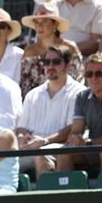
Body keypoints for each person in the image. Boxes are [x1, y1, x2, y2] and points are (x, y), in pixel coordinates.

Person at [16, 41, 85, 173]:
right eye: (47, 62)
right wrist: (21, 138)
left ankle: (44, 194)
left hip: (59, 147)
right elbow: (21, 127)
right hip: (32, 148)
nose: (50, 66)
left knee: (42, 155)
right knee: (0, 159)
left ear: (68, 65)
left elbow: (72, 129)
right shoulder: (32, 94)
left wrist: (45, 141)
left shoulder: (79, 93)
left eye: (56, 62)